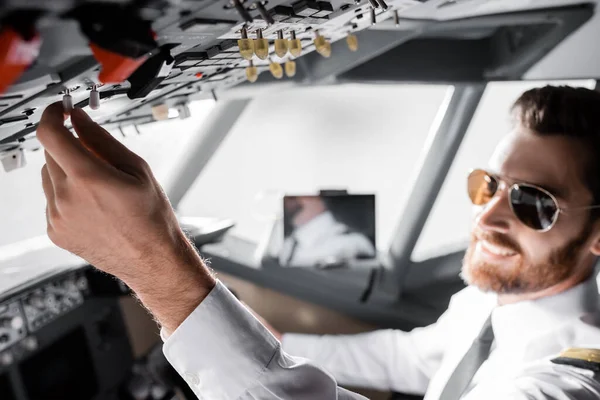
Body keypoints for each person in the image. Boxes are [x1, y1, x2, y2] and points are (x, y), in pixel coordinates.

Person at [34, 85, 600, 400]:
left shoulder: (574, 378)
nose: (490, 218)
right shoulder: (497, 299)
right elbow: (416, 357)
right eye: (489, 186)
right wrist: (277, 340)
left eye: (534, 203)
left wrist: (153, 264)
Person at [279, 195, 376, 267]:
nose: (288, 201)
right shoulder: (287, 243)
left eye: (293, 197)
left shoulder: (352, 243)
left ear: (319, 198)